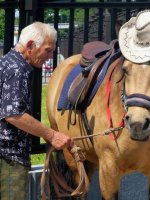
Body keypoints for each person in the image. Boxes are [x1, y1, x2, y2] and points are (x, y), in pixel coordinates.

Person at [0, 22, 73, 200]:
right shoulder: (17, 71)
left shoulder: (5, 63)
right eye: (48, 50)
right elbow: (14, 115)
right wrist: (52, 135)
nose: (50, 56)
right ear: (31, 46)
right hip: (9, 159)